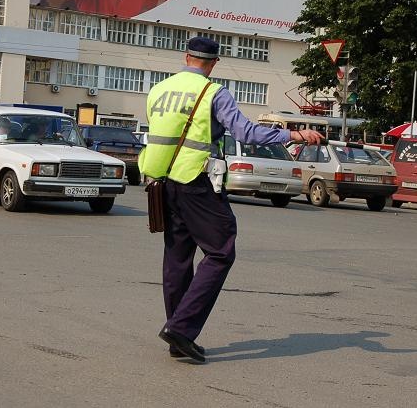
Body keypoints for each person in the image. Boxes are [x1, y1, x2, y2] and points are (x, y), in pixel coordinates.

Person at [139, 37, 324, 363]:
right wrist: (293, 134)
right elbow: (246, 133)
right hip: (197, 181)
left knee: (177, 259)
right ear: (214, 63)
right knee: (221, 251)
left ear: (186, 57)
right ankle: (180, 329)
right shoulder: (213, 93)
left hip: (163, 182)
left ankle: (176, 333)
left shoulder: (159, 90)